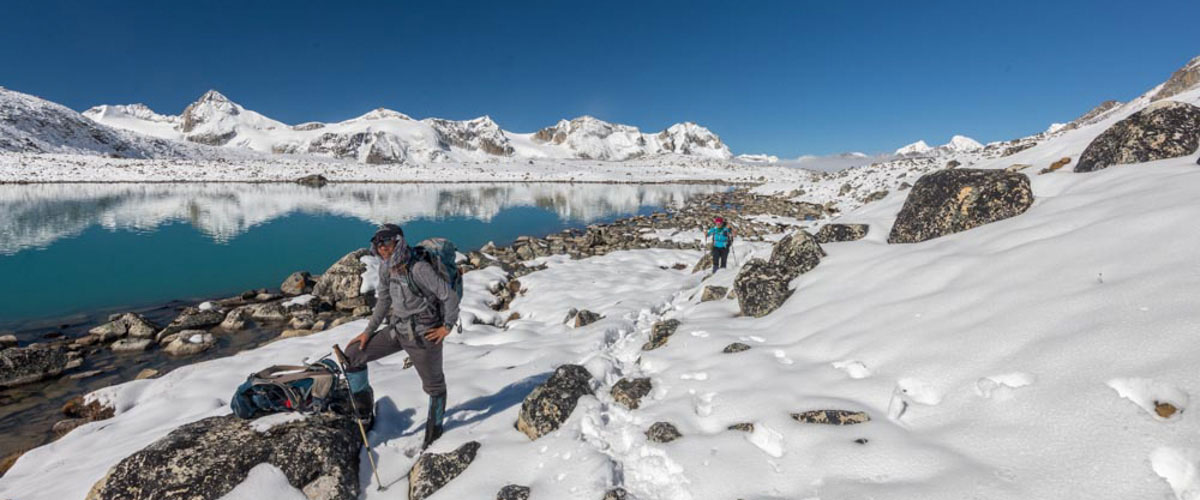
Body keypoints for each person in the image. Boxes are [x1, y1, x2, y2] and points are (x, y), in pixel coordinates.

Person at [343, 223, 459, 448]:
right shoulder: (386, 267)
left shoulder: (418, 269)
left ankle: (434, 434)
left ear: (398, 241)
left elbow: (449, 297)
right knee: (353, 355)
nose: (382, 247)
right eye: (378, 243)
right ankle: (364, 414)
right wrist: (368, 332)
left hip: (425, 336)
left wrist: (446, 327)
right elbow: (384, 300)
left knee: (434, 388)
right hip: (398, 330)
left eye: (387, 241)